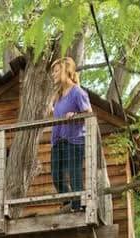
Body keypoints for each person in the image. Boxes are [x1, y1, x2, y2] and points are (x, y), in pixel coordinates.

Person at [50, 57, 92, 212]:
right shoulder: (58, 96)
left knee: (75, 175)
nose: (53, 74)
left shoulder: (77, 92)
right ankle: (69, 200)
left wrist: (75, 114)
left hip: (74, 140)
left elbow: (88, 113)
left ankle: (79, 205)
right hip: (58, 140)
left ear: (65, 71)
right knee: (56, 176)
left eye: (56, 71)